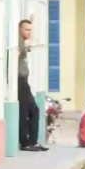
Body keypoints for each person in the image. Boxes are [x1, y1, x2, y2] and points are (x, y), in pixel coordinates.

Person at [17, 19, 47, 152]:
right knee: (26, 111)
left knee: (33, 110)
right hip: (19, 80)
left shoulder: (22, 42)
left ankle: (32, 141)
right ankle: (26, 142)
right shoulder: (18, 43)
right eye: (26, 30)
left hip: (23, 80)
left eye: (30, 30)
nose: (29, 32)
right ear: (19, 29)